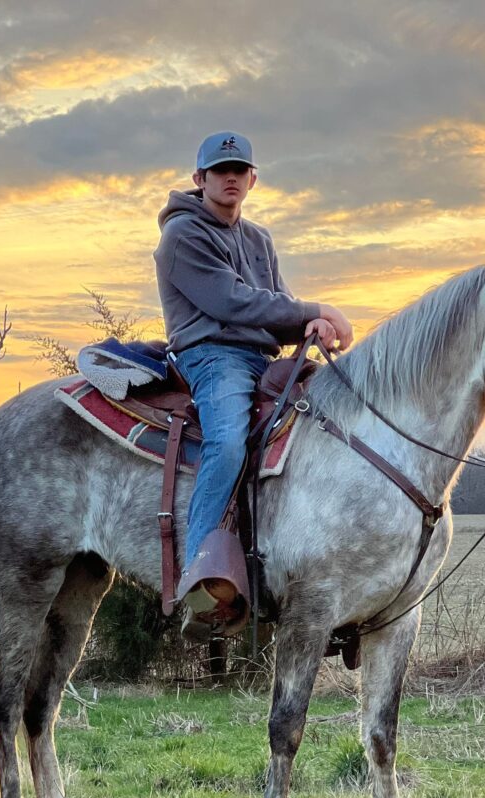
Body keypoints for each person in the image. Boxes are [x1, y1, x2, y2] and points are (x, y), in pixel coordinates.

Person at [153, 131, 353, 626]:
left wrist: (311, 324)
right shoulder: (182, 235)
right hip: (212, 355)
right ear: (200, 179)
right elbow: (231, 302)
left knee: (335, 418)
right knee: (226, 442)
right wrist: (316, 308)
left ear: (252, 179)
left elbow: (275, 305)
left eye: (239, 170)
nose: (231, 178)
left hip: (262, 357)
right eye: (220, 170)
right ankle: (199, 580)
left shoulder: (258, 238)